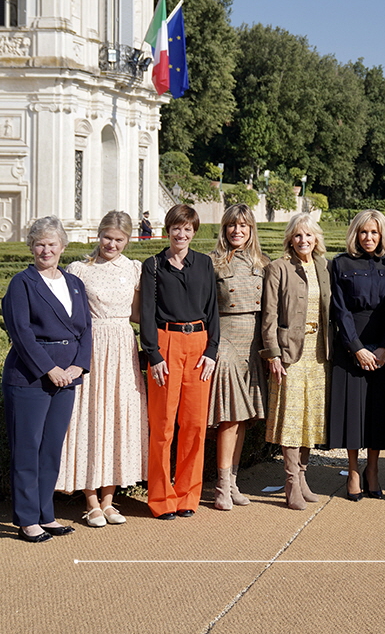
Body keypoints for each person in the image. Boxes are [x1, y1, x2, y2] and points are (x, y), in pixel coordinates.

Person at [2, 216, 92, 542]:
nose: (46, 249)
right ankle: (27, 521)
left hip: (67, 378)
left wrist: (79, 367)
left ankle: (46, 514)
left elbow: (85, 331)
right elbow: (21, 333)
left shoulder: (75, 284)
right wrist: (48, 369)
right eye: (40, 243)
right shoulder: (21, 283)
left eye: (52, 244)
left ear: (63, 247)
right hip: (29, 378)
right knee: (27, 449)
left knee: (51, 449)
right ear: (31, 247)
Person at [57, 211, 147, 527]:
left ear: (128, 240)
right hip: (91, 347)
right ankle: (91, 501)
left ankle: (110, 500)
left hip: (123, 348)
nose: (112, 244)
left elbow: (138, 315)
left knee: (118, 418)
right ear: (99, 235)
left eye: (119, 239)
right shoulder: (79, 270)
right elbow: (67, 316)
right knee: (89, 418)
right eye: (108, 237)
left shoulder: (134, 270)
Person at [139, 204, 218, 520]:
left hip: (198, 344)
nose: (181, 234)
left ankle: (188, 495)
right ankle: (160, 498)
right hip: (166, 344)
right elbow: (146, 312)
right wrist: (153, 354)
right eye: (176, 228)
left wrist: (211, 351)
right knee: (162, 426)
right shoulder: (153, 265)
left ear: (193, 232)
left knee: (196, 425)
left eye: (187, 229)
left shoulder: (204, 264)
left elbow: (213, 309)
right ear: (167, 230)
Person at [329, 209, 385, 500]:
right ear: (355, 235)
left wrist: (384, 347)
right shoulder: (341, 263)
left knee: (377, 412)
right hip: (351, 346)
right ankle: (353, 470)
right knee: (352, 412)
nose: (369, 237)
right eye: (363, 232)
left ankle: (373, 468)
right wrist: (356, 347)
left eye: (374, 232)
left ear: (382, 234)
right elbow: (339, 309)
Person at [261, 213, 331, 510]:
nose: (304, 240)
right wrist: (273, 353)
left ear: (317, 239)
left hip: (318, 352)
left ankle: (303, 477)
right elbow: (269, 315)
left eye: (309, 235)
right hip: (290, 352)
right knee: (290, 418)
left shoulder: (323, 267)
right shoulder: (278, 268)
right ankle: (290, 482)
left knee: (310, 418)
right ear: (290, 238)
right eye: (298, 236)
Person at [208, 204, 269, 510]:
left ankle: (232, 482)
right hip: (227, 342)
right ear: (225, 228)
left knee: (243, 419)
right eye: (232, 225)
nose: (237, 231)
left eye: (243, 226)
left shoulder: (263, 263)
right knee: (229, 418)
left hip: (254, 343)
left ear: (251, 229)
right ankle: (221, 487)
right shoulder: (212, 263)